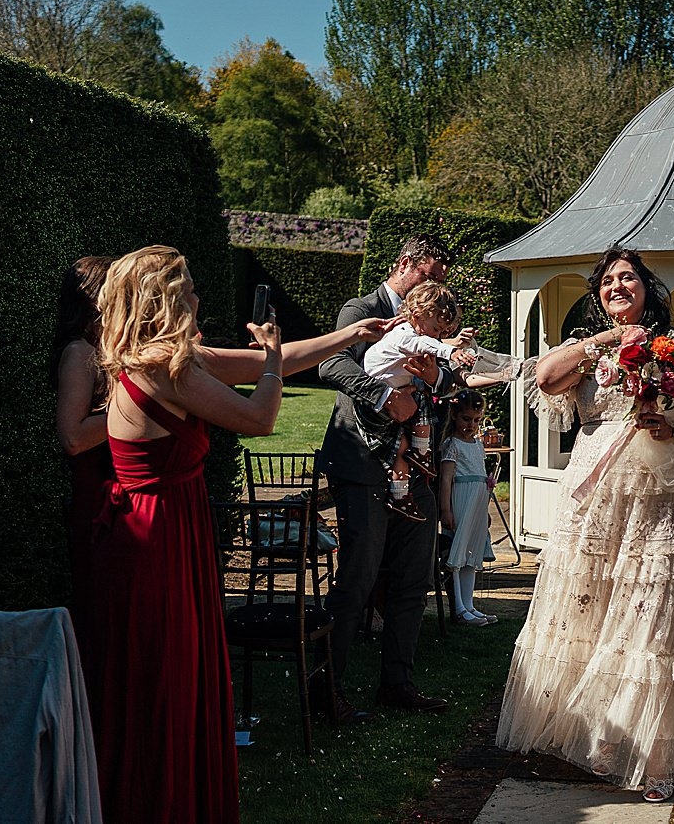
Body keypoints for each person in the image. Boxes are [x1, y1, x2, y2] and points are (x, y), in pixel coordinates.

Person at [81, 245, 392, 823]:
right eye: (190, 288)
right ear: (165, 300)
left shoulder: (166, 361)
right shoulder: (166, 369)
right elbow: (260, 418)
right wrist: (271, 363)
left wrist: (349, 337)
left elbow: (277, 358)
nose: (199, 298)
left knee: (164, 678)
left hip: (164, 532)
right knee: (163, 681)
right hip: (157, 541)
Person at [496, 248, 674, 804]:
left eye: (628, 277)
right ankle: (595, 738)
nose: (617, 286)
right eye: (607, 280)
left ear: (648, 287)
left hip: (663, 494)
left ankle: (654, 757)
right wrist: (605, 343)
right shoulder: (587, 347)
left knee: (655, 618)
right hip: (597, 496)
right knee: (593, 609)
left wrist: (672, 425)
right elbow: (548, 377)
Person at [318, 234, 460, 722]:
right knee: (357, 578)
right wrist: (382, 400)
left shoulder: (431, 324)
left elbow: (452, 382)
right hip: (362, 462)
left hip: (416, 467)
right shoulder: (361, 307)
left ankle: (397, 683)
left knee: (411, 580)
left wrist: (436, 375)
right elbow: (332, 364)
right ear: (406, 264)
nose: (435, 288)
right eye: (430, 276)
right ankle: (326, 691)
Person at [360, 280, 477, 520]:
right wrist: (450, 350)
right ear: (416, 315)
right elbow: (422, 343)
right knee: (420, 407)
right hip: (377, 400)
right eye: (435, 329)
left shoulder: (415, 333)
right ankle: (422, 452)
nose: (437, 336)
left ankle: (400, 495)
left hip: (394, 395)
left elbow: (429, 348)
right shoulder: (403, 334)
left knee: (401, 450)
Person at [50, 255, 115, 634]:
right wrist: (138, 411)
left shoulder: (102, 350)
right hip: (96, 496)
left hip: (112, 489)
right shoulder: (80, 353)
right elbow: (72, 438)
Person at [437, 389, 497, 626]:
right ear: (454, 415)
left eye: (475, 420)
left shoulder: (478, 444)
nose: (471, 425)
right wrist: (445, 510)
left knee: (471, 553)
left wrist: (486, 510)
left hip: (477, 501)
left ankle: (469, 605)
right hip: (461, 498)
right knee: (459, 552)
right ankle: (459, 608)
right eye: (466, 419)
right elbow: (445, 478)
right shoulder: (452, 444)